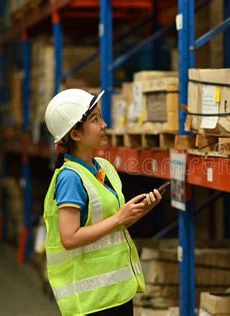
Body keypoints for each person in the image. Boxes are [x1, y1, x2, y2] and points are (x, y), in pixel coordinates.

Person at [43, 89, 162, 315]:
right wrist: (120, 217)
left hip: (115, 293)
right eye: (95, 120)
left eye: (101, 117)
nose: (104, 124)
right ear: (76, 134)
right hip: (92, 302)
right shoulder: (70, 178)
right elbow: (69, 238)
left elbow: (109, 228)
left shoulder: (103, 167)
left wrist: (138, 212)